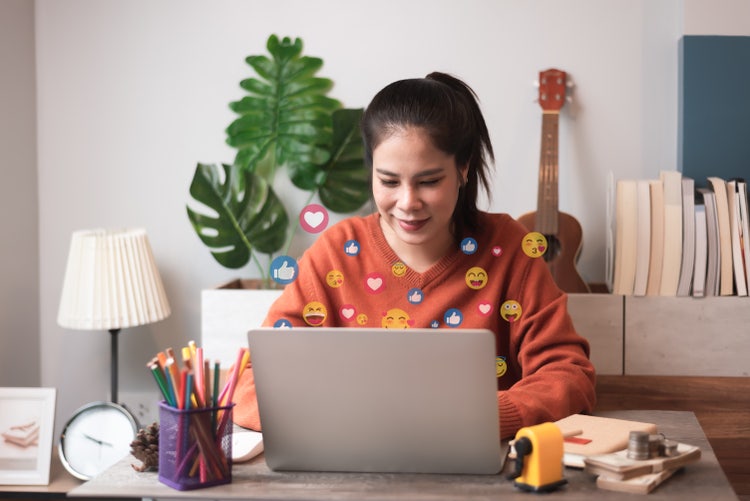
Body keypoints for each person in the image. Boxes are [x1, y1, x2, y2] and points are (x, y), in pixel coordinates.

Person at [233, 71, 596, 439]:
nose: (408, 203)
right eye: (389, 181)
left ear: (463, 169)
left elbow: (568, 374)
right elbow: (253, 382)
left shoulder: (509, 249)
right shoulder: (334, 255)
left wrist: (491, 417)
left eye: (429, 181)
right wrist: (339, 419)